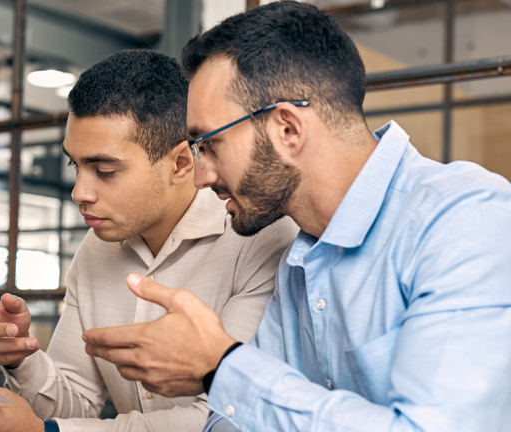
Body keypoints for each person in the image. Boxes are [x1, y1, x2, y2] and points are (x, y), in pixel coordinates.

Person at [81, 2, 511, 432]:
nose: (201, 176)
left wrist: (221, 367)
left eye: (209, 144)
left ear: (287, 129)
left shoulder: (465, 217)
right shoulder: (299, 260)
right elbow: (230, 423)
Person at [0, 49, 298, 432]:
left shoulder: (257, 236)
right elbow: (76, 403)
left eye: (104, 170)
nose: (79, 192)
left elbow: (226, 415)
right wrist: (20, 357)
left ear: (180, 163)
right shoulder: (96, 247)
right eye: (76, 165)